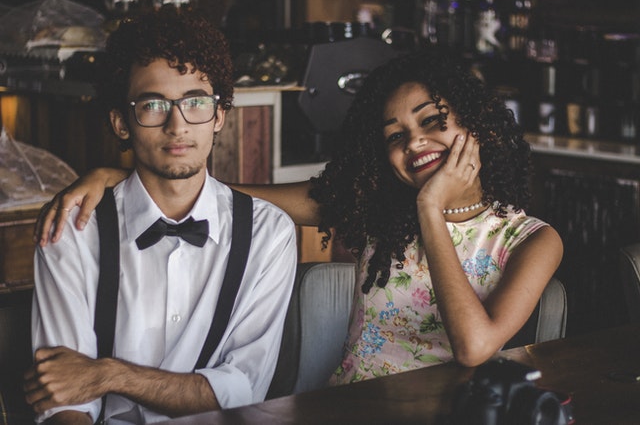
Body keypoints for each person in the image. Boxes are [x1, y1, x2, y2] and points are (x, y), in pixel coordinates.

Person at [36, 50, 562, 386]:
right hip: (345, 414)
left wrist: (430, 207)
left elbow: (474, 347)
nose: (415, 143)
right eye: (395, 136)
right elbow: (223, 195)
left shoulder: (532, 241)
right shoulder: (378, 208)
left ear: (478, 127)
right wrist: (124, 177)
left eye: (432, 123)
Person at [25, 6, 297, 424]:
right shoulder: (73, 230)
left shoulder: (269, 233)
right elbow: (66, 400)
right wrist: (87, 387)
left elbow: (242, 388)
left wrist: (110, 375)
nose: (178, 125)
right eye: (153, 104)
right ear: (121, 122)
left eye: (196, 102)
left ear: (219, 115)